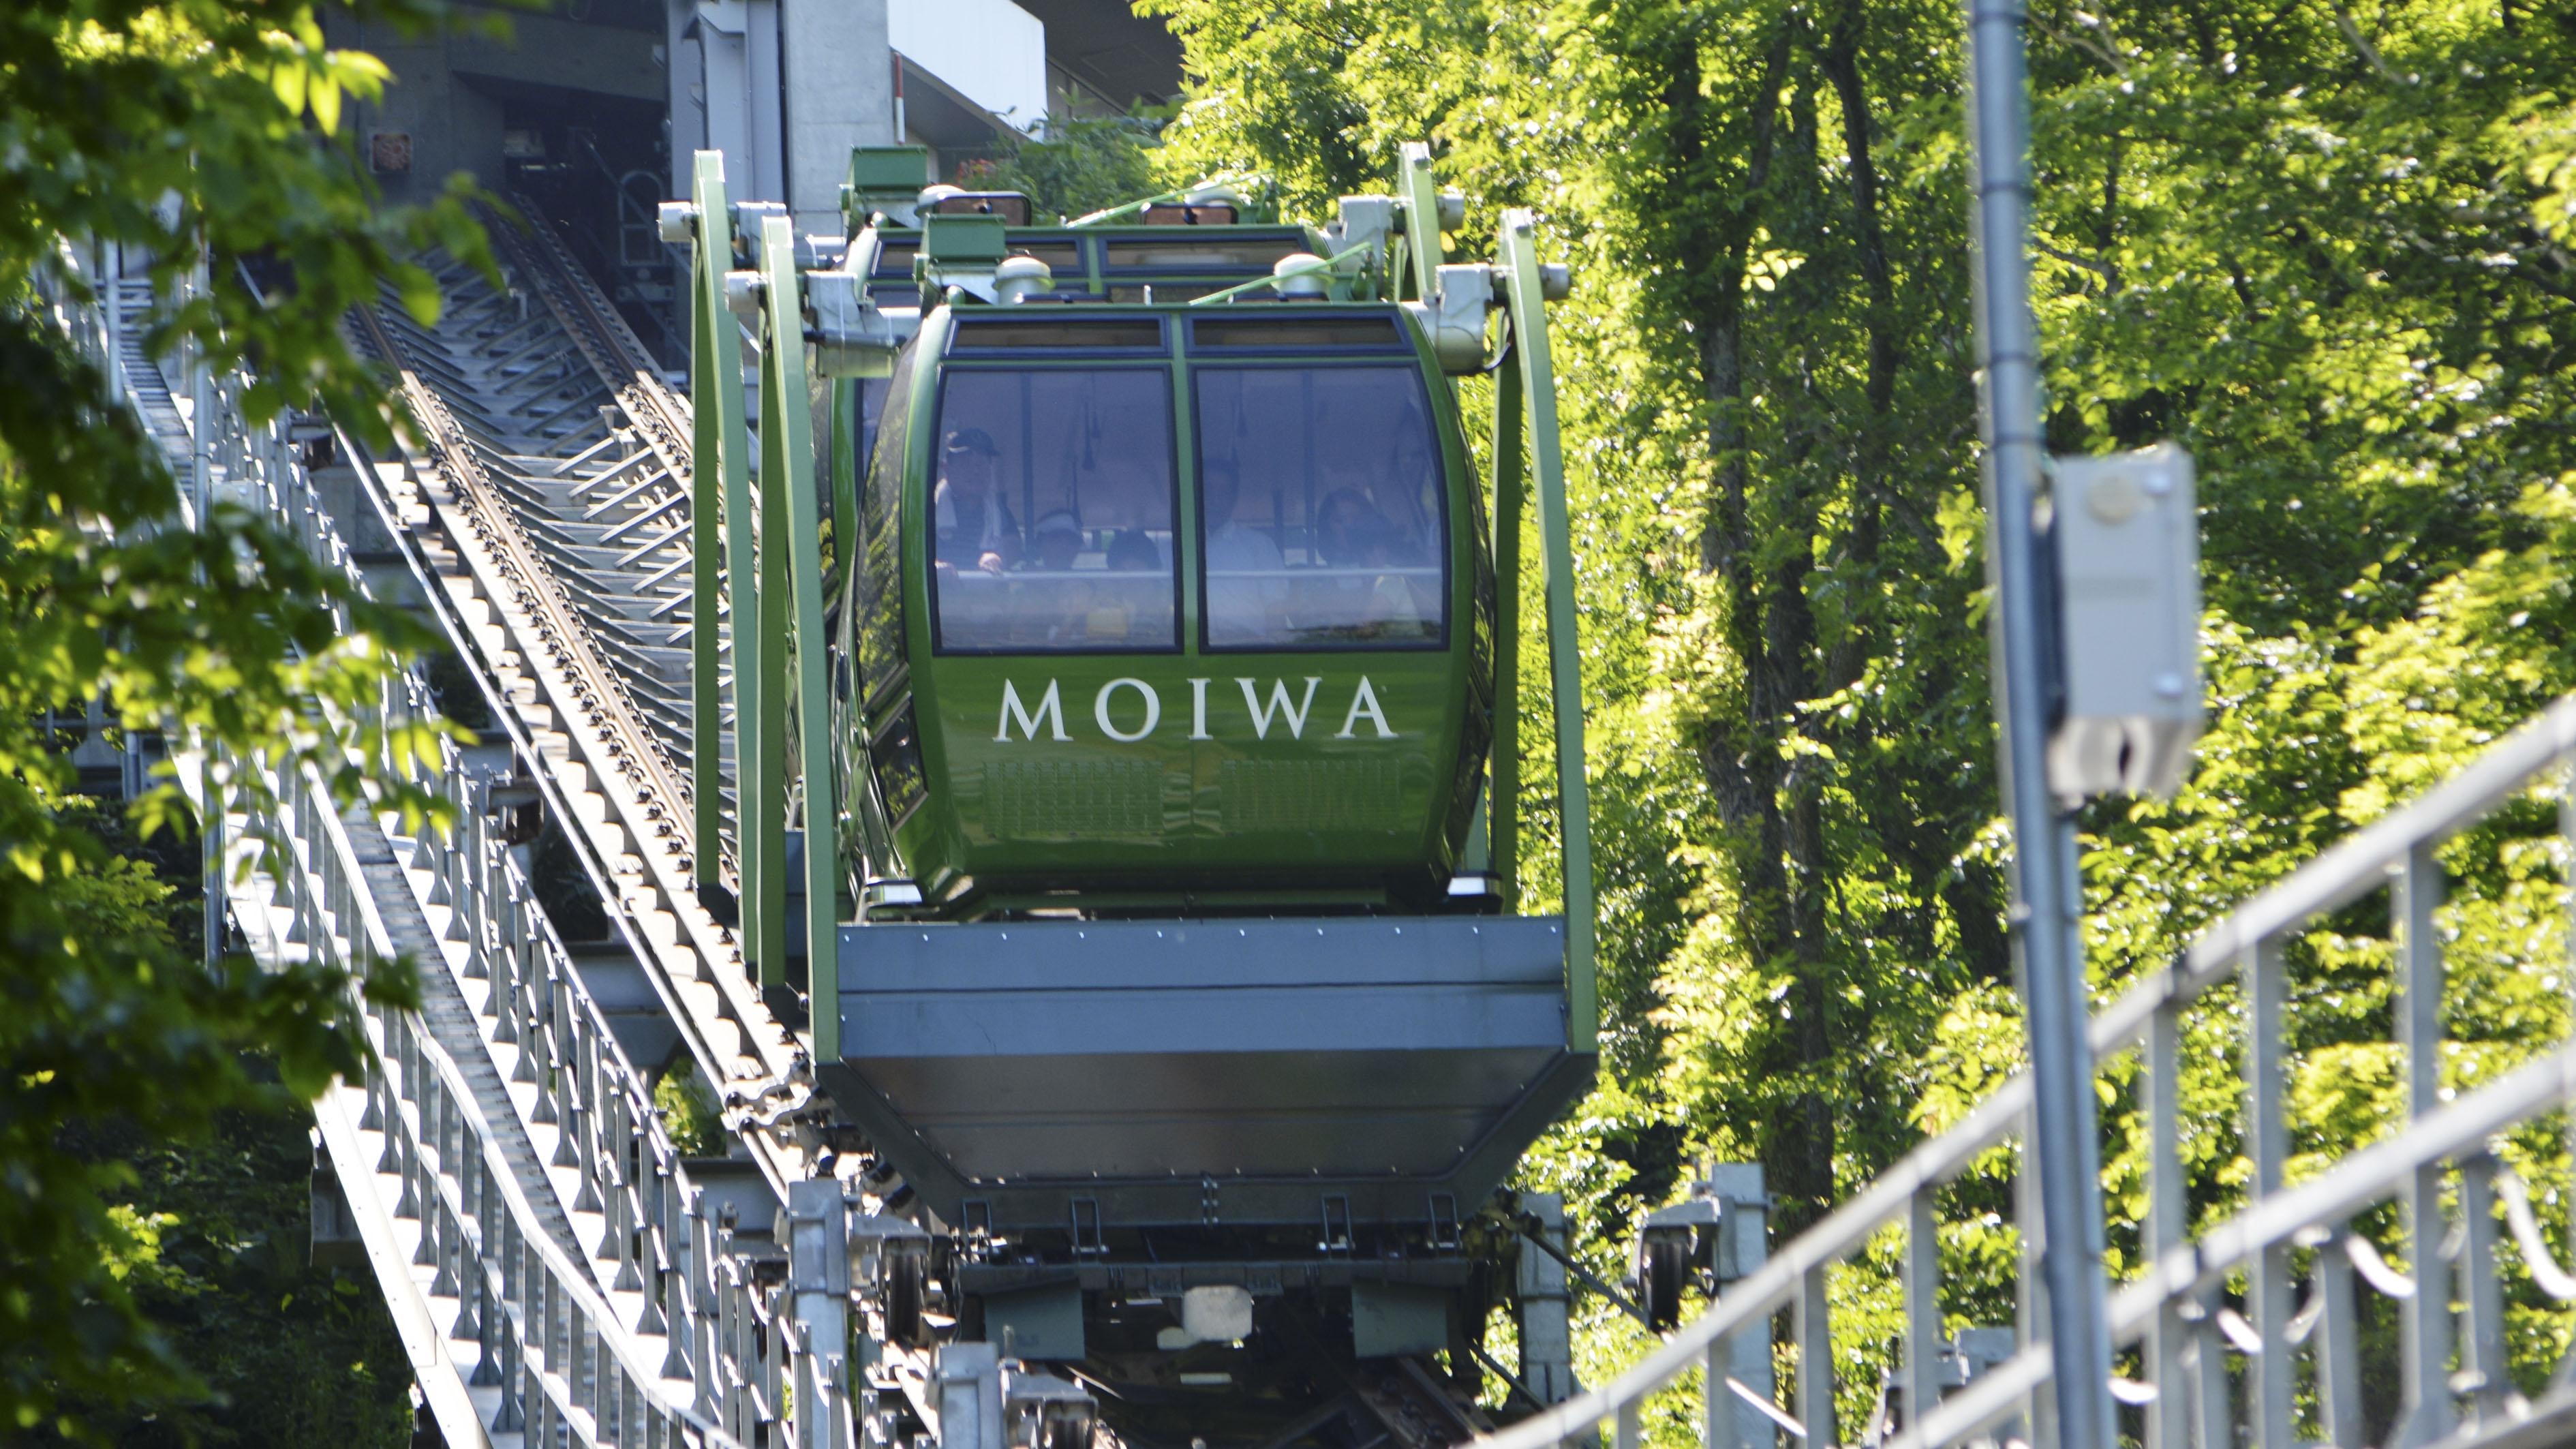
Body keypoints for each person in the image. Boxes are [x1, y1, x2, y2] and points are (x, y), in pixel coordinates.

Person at [1201, 458, 1286, 644]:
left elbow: (1276, 612)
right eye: (1208, 490)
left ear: (1234, 497)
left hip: (1248, 651)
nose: (1215, 499)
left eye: (1223, 492)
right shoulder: (1171, 549)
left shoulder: (1260, 546)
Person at [932, 427, 1017, 574]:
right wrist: (934, 567)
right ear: (947, 468)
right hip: (941, 594)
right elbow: (916, 550)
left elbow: (1013, 545)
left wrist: (998, 557)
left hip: (988, 595)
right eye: (966, 464)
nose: (976, 471)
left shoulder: (1000, 512)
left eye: (982, 464)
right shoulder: (929, 509)